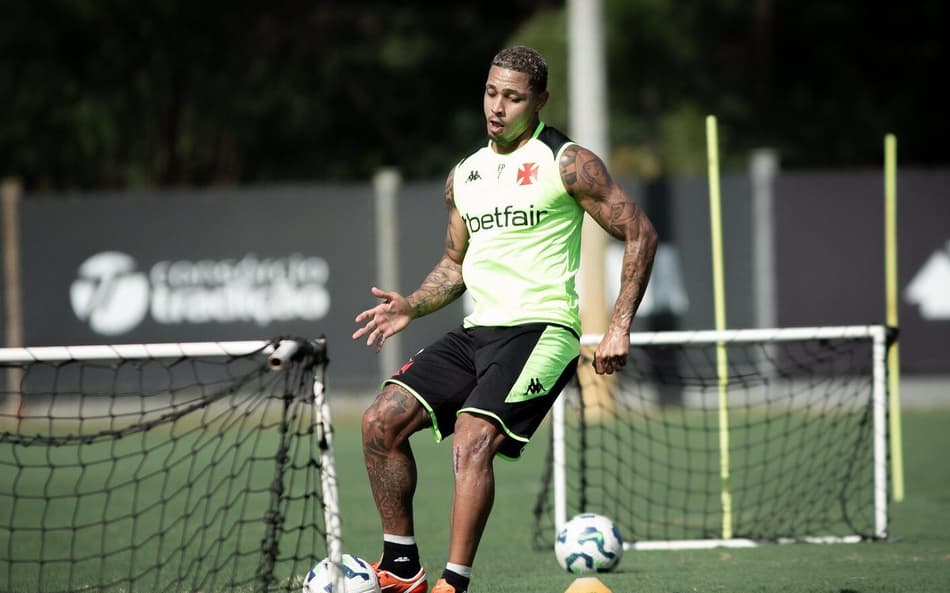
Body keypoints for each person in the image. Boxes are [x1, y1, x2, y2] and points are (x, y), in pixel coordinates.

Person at [352, 46, 657, 593]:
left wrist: (618, 325)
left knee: (472, 437)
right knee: (380, 420)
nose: (497, 106)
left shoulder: (568, 163)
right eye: (492, 93)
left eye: (513, 97)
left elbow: (640, 233)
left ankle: (454, 584)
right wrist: (411, 305)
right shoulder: (464, 175)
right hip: (478, 331)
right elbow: (453, 265)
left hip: (544, 330)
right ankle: (401, 569)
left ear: (538, 100)